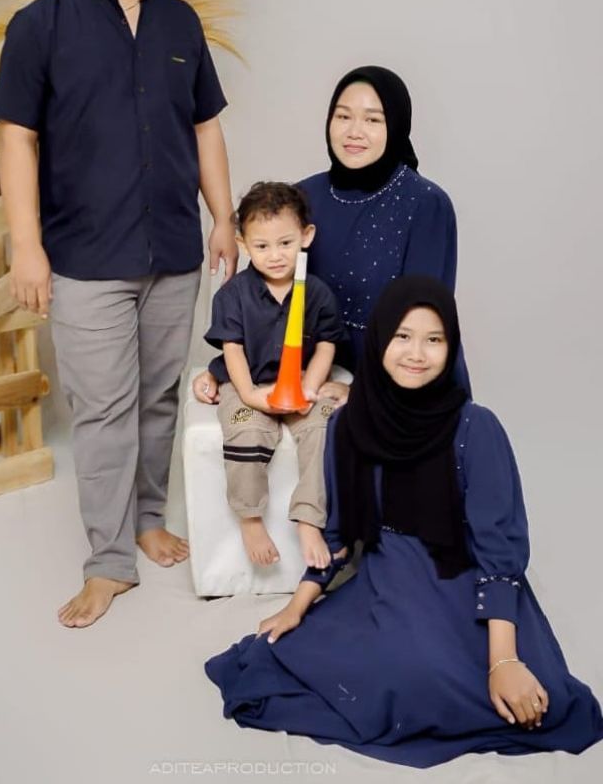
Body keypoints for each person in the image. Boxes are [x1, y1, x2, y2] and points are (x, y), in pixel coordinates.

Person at [205, 276, 603, 767]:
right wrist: (299, 604)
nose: (417, 353)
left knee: (534, 702)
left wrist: (504, 658)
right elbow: (339, 532)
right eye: (403, 336)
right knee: (386, 676)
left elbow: (499, 549)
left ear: (451, 347)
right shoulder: (349, 424)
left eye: (434, 339)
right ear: (379, 341)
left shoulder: (476, 428)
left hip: (467, 576)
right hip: (390, 576)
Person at [0, 0, 237, 628]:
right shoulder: (40, 24)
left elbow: (205, 127)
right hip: (86, 256)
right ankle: (108, 562)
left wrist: (223, 218)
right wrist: (27, 247)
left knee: (159, 397)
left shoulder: (181, 23)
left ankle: (148, 518)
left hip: (173, 249)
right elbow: (17, 138)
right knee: (102, 411)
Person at [193, 66, 464, 408]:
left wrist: (362, 392)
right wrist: (224, 372)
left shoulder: (426, 204)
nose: (354, 132)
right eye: (343, 116)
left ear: (396, 125)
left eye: (373, 120)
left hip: (401, 390)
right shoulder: (303, 197)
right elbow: (262, 302)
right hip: (317, 378)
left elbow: (426, 321)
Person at [204, 182, 347, 569]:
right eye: (262, 246)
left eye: (285, 243)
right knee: (247, 429)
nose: (276, 255)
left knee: (324, 428)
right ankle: (250, 519)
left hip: (299, 381)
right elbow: (233, 349)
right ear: (244, 244)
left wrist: (310, 386)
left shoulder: (317, 292)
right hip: (248, 383)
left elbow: (327, 345)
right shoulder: (232, 295)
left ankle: (309, 518)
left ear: (306, 236)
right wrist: (250, 395)